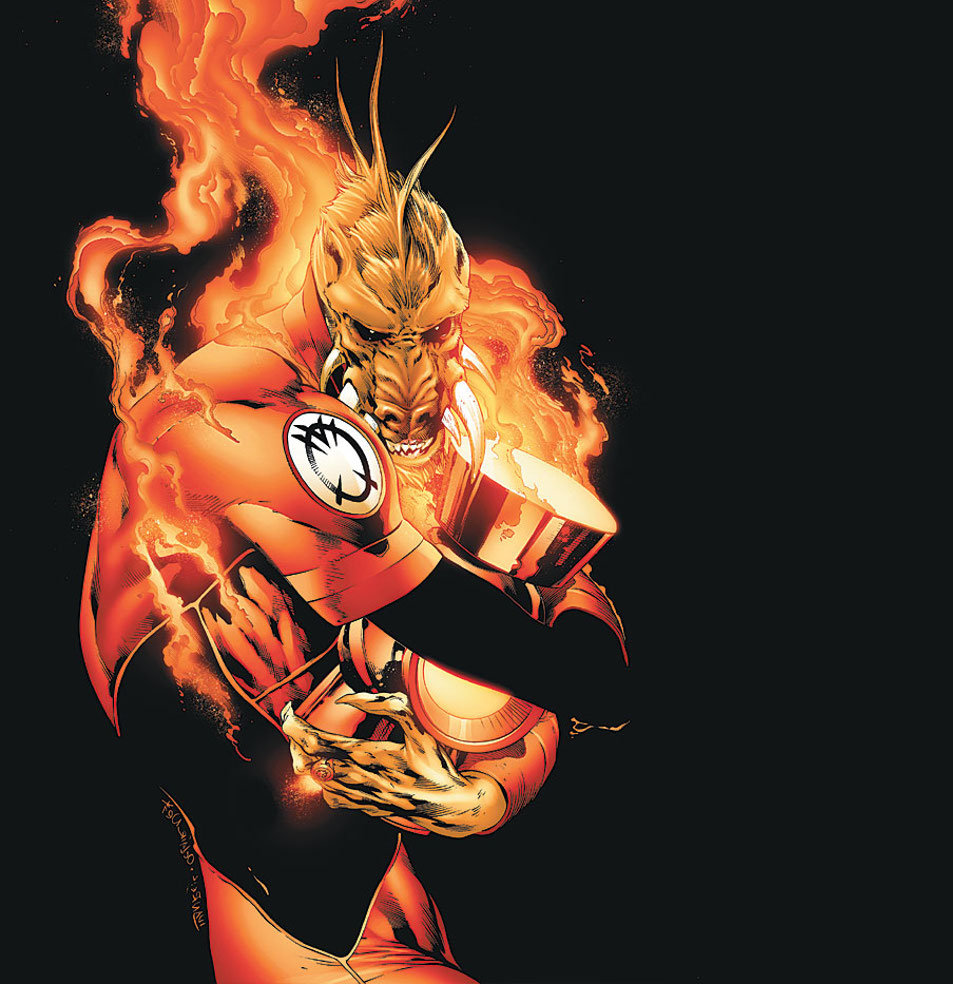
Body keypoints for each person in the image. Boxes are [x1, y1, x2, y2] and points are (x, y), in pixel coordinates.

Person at [78, 48, 629, 983]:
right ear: (327, 307)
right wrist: (566, 632)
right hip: (290, 902)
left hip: (357, 872)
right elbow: (565, 671)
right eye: (381, 339)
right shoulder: (249, 419)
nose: (412, 382)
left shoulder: (419, 428)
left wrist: (489, 796)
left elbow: (535, 639)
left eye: (436, 336)